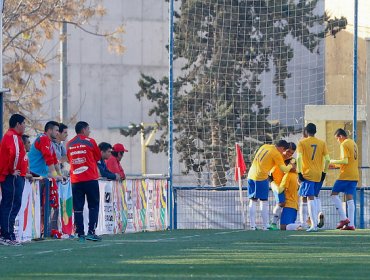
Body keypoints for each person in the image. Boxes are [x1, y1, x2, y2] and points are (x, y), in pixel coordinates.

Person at [67, 121, 102, 242]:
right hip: (90, 178)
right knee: (93, 205)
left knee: (78, 208)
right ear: (83, 130)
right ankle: (91, 232)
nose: (89, 131)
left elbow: (68, 159)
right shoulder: (90, 142)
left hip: (76, 180)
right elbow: (97, 157)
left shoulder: (69, 144)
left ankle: (80, 234)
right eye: (88, 129)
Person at [247, 140, 293, 230]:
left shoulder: (265, 146)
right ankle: (265, 226)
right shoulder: (276, 154)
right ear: (282, 148)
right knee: (264, 201)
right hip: (260, 177)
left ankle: (252, 226)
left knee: (252, 200)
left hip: (250, 175)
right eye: (284, 150)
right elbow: (285, 169)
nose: (283, 153)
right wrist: (291, 165)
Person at [297, 123, 330, 232]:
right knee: (308, 196)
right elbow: (328, 160)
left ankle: (313, 225)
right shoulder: (322, 143)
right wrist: (324, 173)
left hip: (307, 174)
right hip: (318, 174)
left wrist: (299, 173)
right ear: (315, 131)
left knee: (308, 197)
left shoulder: (302, 142)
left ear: (306, 132)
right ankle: (307, 221)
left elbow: (299, 159)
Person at [0, 114, 27, 246]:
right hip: (12, 177)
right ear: (17, 124)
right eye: (24, 123)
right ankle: (7, 235)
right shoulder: (13, 136)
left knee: (9, 204)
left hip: (12, 176)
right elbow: (14, 153)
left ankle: (7, 234)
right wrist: (13, 169)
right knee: (10, 205)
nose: (25, 126)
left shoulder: (13, 136)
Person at [329, 128, 359, 230]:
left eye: (337, 139)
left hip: (346, 175)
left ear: (340, 136)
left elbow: (345, 161)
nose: (338, 141)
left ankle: (344, 218)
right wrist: (336, 166)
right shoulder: (353, 143)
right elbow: (349, 161)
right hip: (354, 175)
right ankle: (351, 224)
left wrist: (331, 161)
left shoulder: (344, 144)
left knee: (333, 195)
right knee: (350, 199)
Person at [269, 142, 296, 229]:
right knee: (281, 202)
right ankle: (273, 223)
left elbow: (293, 169)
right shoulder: (277, 156)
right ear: (284, 149)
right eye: (288, 151)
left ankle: (273, 223)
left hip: (283, 184)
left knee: (282, 203)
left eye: (291, 153)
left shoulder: (292, 160)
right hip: (275, 183)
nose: (289, 154)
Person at [279, 158, 301, 230]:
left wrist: (281, 200)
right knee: (289, 226)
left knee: (283, 226)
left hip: (288, 204)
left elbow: (281, 189)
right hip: (295, 205)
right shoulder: (298, 175)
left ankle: (303, 225)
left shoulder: (288, 175)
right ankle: (302, 224)